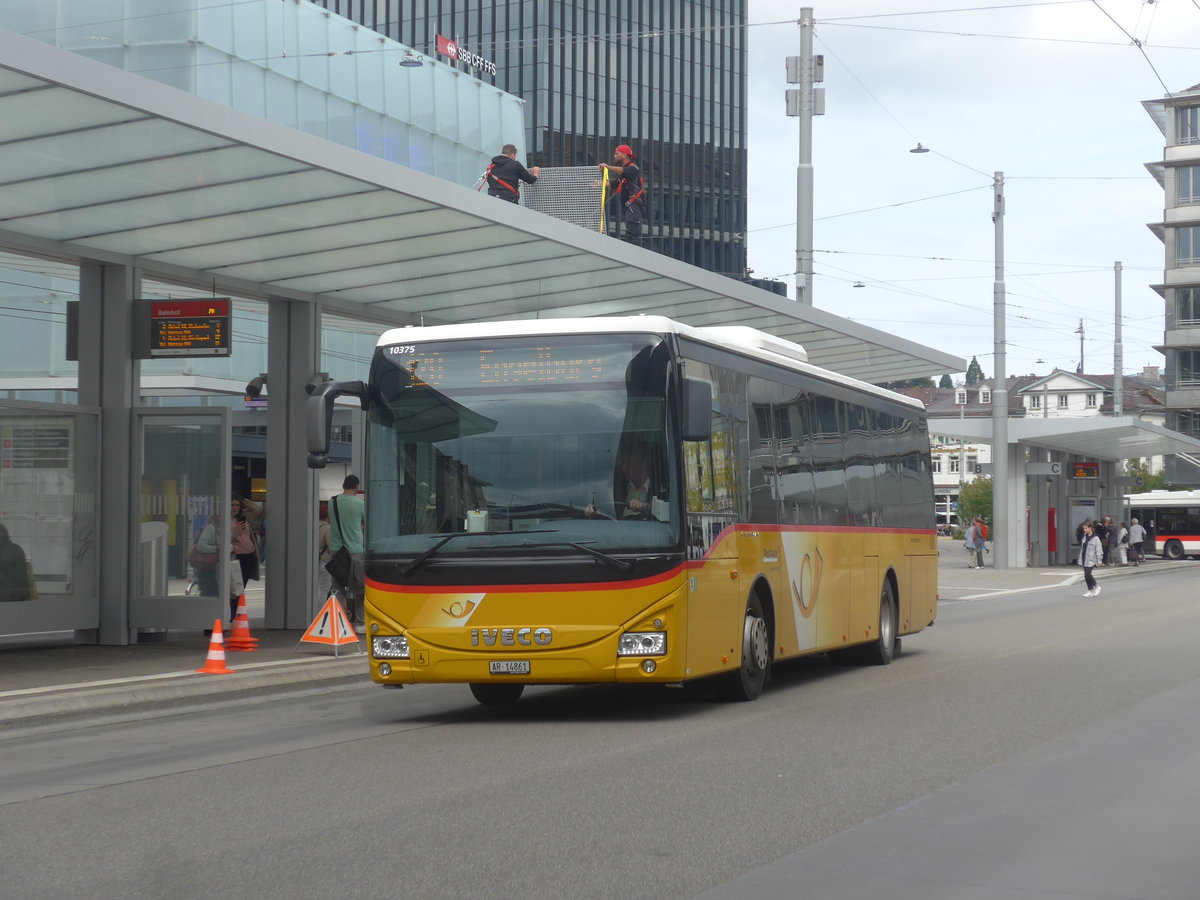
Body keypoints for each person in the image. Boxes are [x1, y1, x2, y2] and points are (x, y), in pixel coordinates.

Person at [329, 474, 367, 623]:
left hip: (336, 550)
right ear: (357, 487)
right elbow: (365, 520)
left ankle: (339, 620)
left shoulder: (333, 502)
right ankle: (359, 620)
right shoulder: (359, 504)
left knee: (337, 587)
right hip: (355, 550)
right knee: (359, 589)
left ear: (343, 485)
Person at [597, 144, 645, 243]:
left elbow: (624, 171)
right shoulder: (625, 171)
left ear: (624, 155)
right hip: (630, 205)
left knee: (632, 231)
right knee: (630, 229)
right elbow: (617, 183)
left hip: (634, 205)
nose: (614, 156)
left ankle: (632, 250)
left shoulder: (633, 168)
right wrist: (600, 183)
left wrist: (608, 167)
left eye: (616, 153)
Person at [230, 496, 260, 620]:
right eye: (232, 505)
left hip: (249, 555)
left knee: (242, 586)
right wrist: (236, 530)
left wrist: (244, 502)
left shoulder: (245, 517)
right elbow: (227, 538)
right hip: (236, 556)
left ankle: (236, 613)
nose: (235, 507)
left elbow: (258, 509)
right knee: (235, 587)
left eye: (237, 505)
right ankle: (232, 615)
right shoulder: (224, 520)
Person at [192, 513, 222, 598]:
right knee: (210, 595)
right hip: (209, 570)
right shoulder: (211, 528)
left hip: (218, 570)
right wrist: (216, 548)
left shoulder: (225, 530)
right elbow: (200, 546)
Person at [0, 523, 32, 602]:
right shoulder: (13, 548)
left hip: (11, 593)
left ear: (3, 534)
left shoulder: (12, 549)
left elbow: (5, 564)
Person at [1079, 520, 1103, 597]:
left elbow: (1099, 549)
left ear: (1090, 528)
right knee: (1086, 575)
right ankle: (1090, 590)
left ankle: (1097, 587)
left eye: (1086, 528)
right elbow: (1083, 548)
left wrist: (1099, 560)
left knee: (1088, 574)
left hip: (1092, 559)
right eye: (1084, 528)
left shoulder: (1095, 538)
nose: (1084, 530)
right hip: (1084, 558)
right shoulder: (1084, 537)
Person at [317, 501, 333, 605]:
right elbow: (332, 547)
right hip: (324, 562)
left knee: (317, 587)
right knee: (324, 589)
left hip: (315, 561)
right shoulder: (327, 528)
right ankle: (319, 612)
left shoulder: (314, 525)